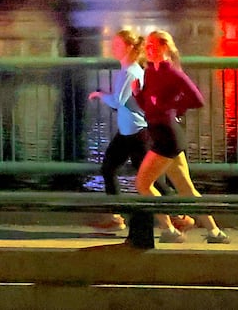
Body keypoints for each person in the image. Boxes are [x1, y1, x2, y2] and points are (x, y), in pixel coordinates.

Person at [134, 30, 229, 243]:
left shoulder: (173, 74)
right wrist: (138, 94)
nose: (148, 49)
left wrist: (172, 108)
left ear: (164, 47)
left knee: (142, 184)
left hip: (167, 137)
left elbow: (197, 99)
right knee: (186, 189)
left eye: (152, 46)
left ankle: (169, 229)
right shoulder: (150, 72)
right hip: (160, 133)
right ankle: (215, 232)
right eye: (146, 46)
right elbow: (148, 109)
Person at [88, 30, 150, 231]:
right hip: (128, 131)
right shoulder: (129, 70)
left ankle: (178, 216)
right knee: (110, 169)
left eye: (117, 45)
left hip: (136, 133)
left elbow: (117, 101)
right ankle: (116, 215)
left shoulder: (130, 71)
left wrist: (99, 94)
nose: (113, 48)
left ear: (129, 47)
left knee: (148, 180)